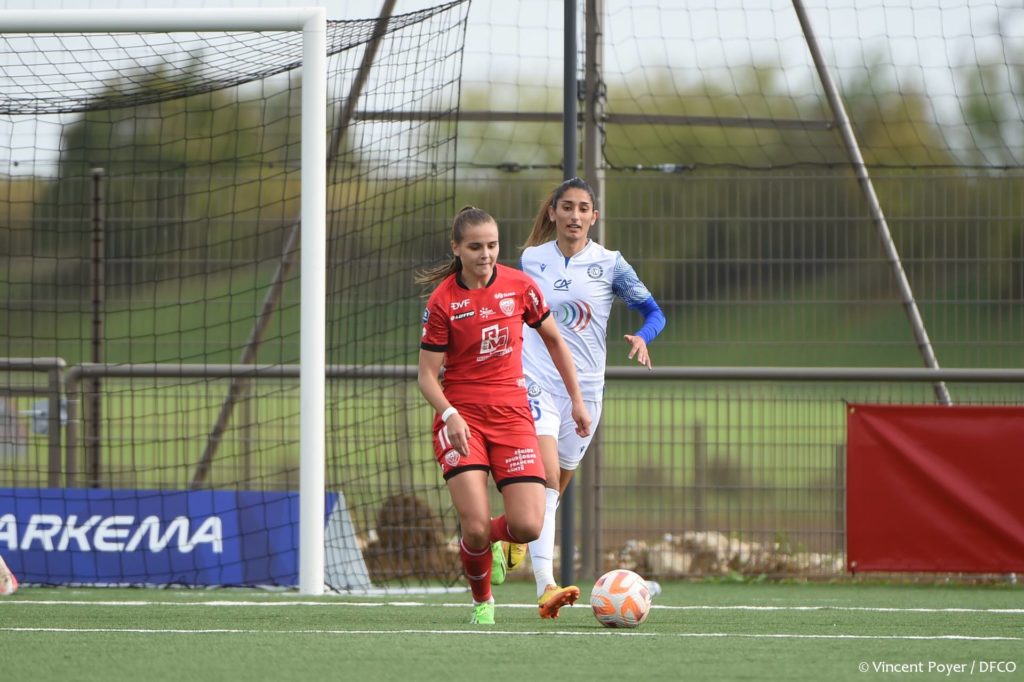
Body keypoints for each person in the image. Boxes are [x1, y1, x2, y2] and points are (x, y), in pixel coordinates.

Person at [416, 205, 591, 625]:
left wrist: (577, 400)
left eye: (492, 246)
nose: (486, 254)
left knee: (528, 526)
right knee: (475, 526)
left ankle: (484, 544)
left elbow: (555, 342)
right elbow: (425, 376)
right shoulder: (443, 302)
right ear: (456, 248)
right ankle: (483, 602)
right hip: (462, 419)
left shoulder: (520, 287)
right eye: (475, 247)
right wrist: (450, 414)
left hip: (512, 415)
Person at [509, 177, 666, 619]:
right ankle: (546, 585)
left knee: (554, 490)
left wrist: (644, 335)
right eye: (567, 207)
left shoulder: (611, 264)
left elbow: (655, 312)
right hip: (535, 379)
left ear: (594, 217)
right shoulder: (531, 259)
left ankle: (516, 535)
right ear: (553, 213)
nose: (574, 215)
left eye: (583, 208)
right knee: (544, 478)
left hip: (586, 392)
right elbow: (512, 309)